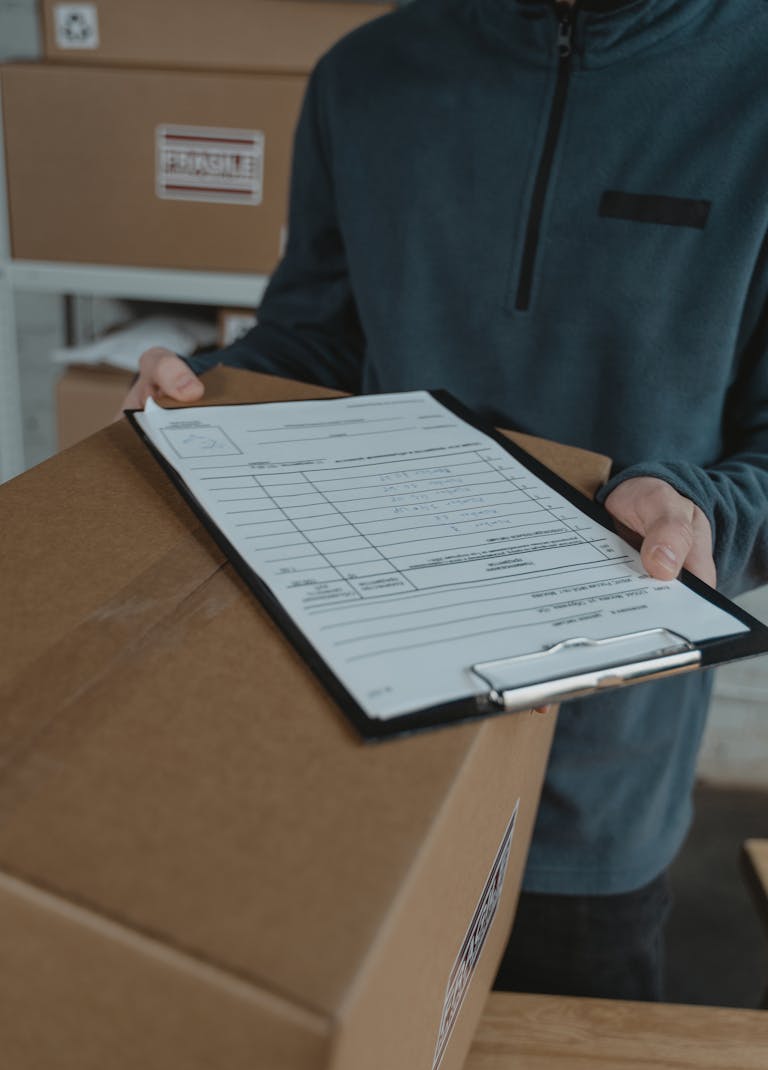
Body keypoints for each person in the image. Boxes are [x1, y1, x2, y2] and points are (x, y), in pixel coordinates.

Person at [123, 0, 768, 1000]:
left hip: (597, 777)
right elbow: (322, 337)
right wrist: (213, 389)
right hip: (358, 731)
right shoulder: (367, 74)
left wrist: (697, 506)